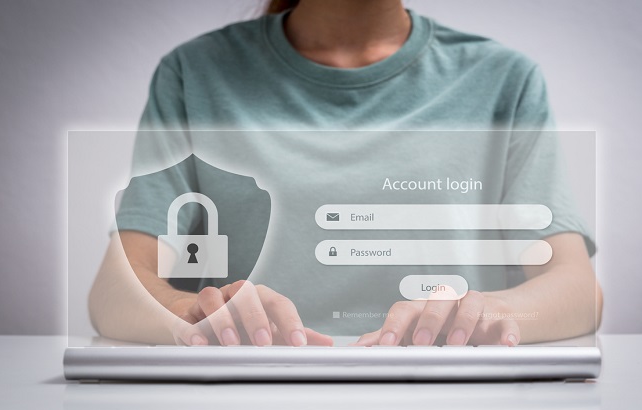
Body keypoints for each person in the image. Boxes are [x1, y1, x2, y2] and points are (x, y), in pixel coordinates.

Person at [89, 0, 603, 347]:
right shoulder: (194, 72)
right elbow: (116, 289)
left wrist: (485, 313)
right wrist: (195, 314)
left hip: (452, 401)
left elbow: (578, 291)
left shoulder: (504, 79)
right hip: (245, 404)